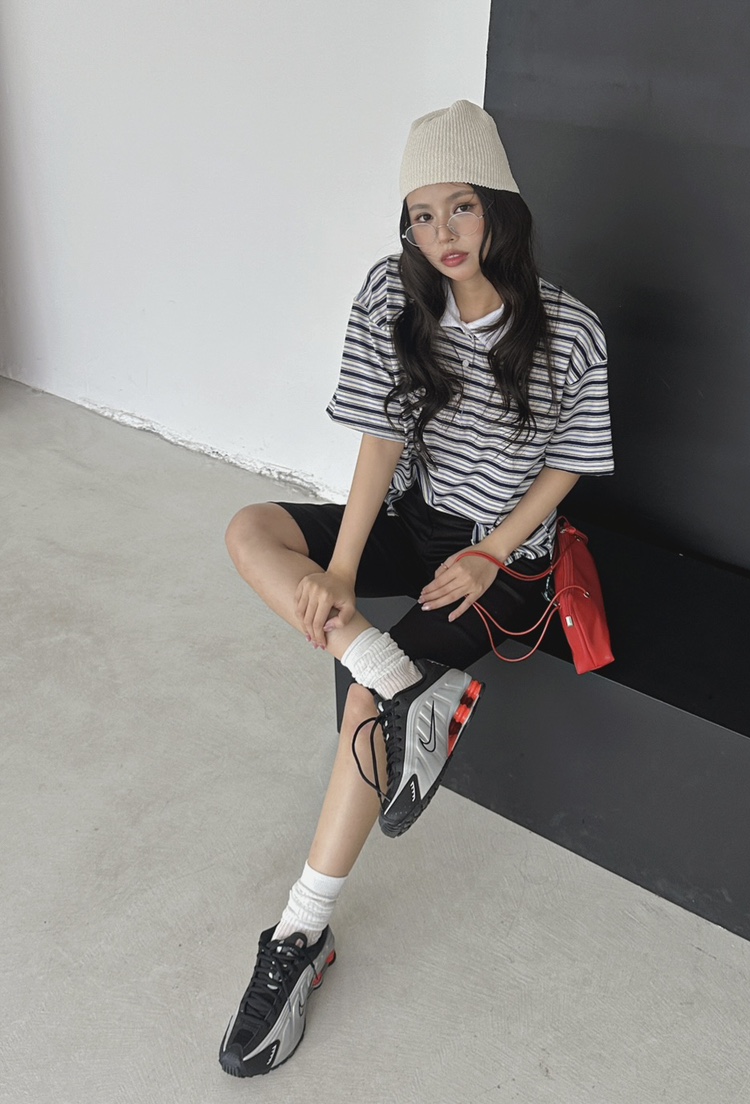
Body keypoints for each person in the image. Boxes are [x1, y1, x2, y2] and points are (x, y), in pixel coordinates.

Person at [218, 100, 613, 1078]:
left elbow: (569, 461)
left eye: (460, 208)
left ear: (499, 208)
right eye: (421, 215)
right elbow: (381, 440)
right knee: (251, 530)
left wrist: (493, 554)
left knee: (361, 710)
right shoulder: (392, 299)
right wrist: (343, 572)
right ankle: (396, 679)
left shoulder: (571, 330)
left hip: (502, 556)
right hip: (414, 520)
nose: (442, 234)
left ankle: (300, 936)